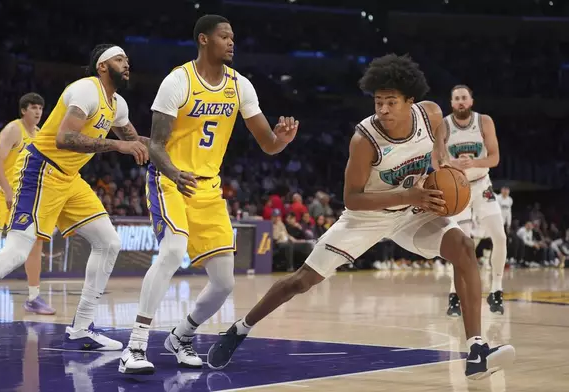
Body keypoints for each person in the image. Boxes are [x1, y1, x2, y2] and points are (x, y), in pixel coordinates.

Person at [206, 54, 515, 380]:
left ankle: (476, 351)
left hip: (412, 211)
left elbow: (436, 155)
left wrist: (437, 179)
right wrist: (410, 194)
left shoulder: (432, 115)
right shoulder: (364, 140)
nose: (382, 109)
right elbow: (352, 198)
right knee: (301, 281)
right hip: (366, 217)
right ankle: (239, 330)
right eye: (378, 102)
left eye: (391, 102)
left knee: (464, 247)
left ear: (410, 100)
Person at [0, 44, 150, 362]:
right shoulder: (85, 90)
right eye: (119, 58)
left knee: (109, 242)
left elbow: (136, 141)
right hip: (40, 169)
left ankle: (82, 327)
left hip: (70, 179)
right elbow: (63, 138)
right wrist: (117, 144)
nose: (127, 63)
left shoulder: (118, 105)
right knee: (16, 250)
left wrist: (177, 150)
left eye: (127, 59)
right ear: (101, 66)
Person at [118, 14, 298, 375]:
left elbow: (268, 144)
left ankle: (181, 335)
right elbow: (155, 144)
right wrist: (172, 172)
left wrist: (282, 140)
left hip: (208, 187)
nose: (231, 42)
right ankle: (135, 346)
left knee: (223, 283)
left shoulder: (240, 85)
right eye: (224, 36)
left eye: (233, 37)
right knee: (171, 251)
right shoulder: (177, 81)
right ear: (203, 40)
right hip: (169, 178)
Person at [0, 93, 56, 317]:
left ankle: (34, 297)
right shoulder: (13, 129)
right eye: (34, 108)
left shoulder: (38, 134)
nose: (38, 112)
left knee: (32, 242)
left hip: (20, 194)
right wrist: (8, 191)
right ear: (23, 110)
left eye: (41, 108)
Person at [445, 85, 507, 316]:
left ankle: (497, 290)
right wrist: (453, 164)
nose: (461, 102)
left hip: (482, 185)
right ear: (452, 103)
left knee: (499, 237)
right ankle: (454, 295)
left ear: (471, 101)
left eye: (464, 98)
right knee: (462, 245)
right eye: (456, 99)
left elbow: (495, 157)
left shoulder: (484, 122)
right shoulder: (444, 125)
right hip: (459, 189)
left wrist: (474, 163)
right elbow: (435, 159)